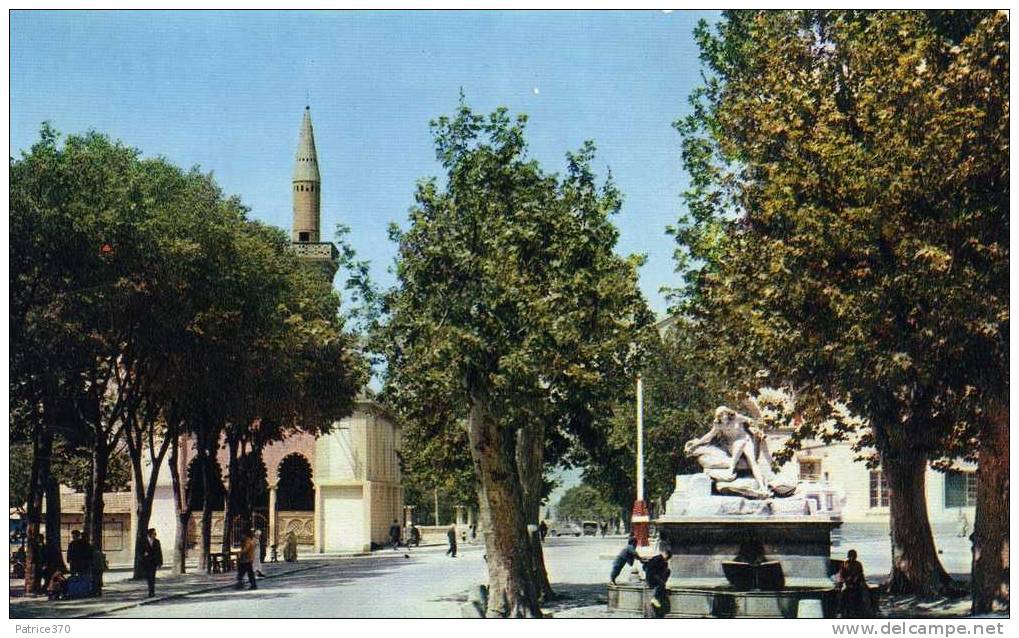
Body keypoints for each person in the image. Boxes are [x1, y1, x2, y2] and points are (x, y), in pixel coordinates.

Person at [835, 549, 871, 618]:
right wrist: (845, 581)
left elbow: (861, 574)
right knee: (842, 594)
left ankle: (867, 611)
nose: (852, 558)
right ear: (848, 556)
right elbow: (841, 575)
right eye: (851, 556)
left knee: (865, 593)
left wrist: (862, 582)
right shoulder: (844, 564)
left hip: (857, 583)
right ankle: (840, 610)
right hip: (847, 583)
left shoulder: (858, 564)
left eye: (854, 556)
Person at [643, 546, 672, 617]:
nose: (667, 559)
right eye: (667, 557)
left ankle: (656, 597)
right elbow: (648, 568)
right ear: (665, 554)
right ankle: (654, 598)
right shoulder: (658, 558)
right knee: (661, 584)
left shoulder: (664, 562)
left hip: (655, 577)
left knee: (667, 573)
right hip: (651, 576)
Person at [140, 528, 163, 598]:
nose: (155, 535)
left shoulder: (157, 541)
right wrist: (143, 556)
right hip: (146, 562)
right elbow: (140, 551)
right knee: (148, 577)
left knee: (152, 577)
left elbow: (159, 552)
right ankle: (150, 591)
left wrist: (160, 562)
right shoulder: (144, 541)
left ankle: (151, 592)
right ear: (150, 534)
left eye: (155, 534)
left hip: (154, 562)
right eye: (154, 533)